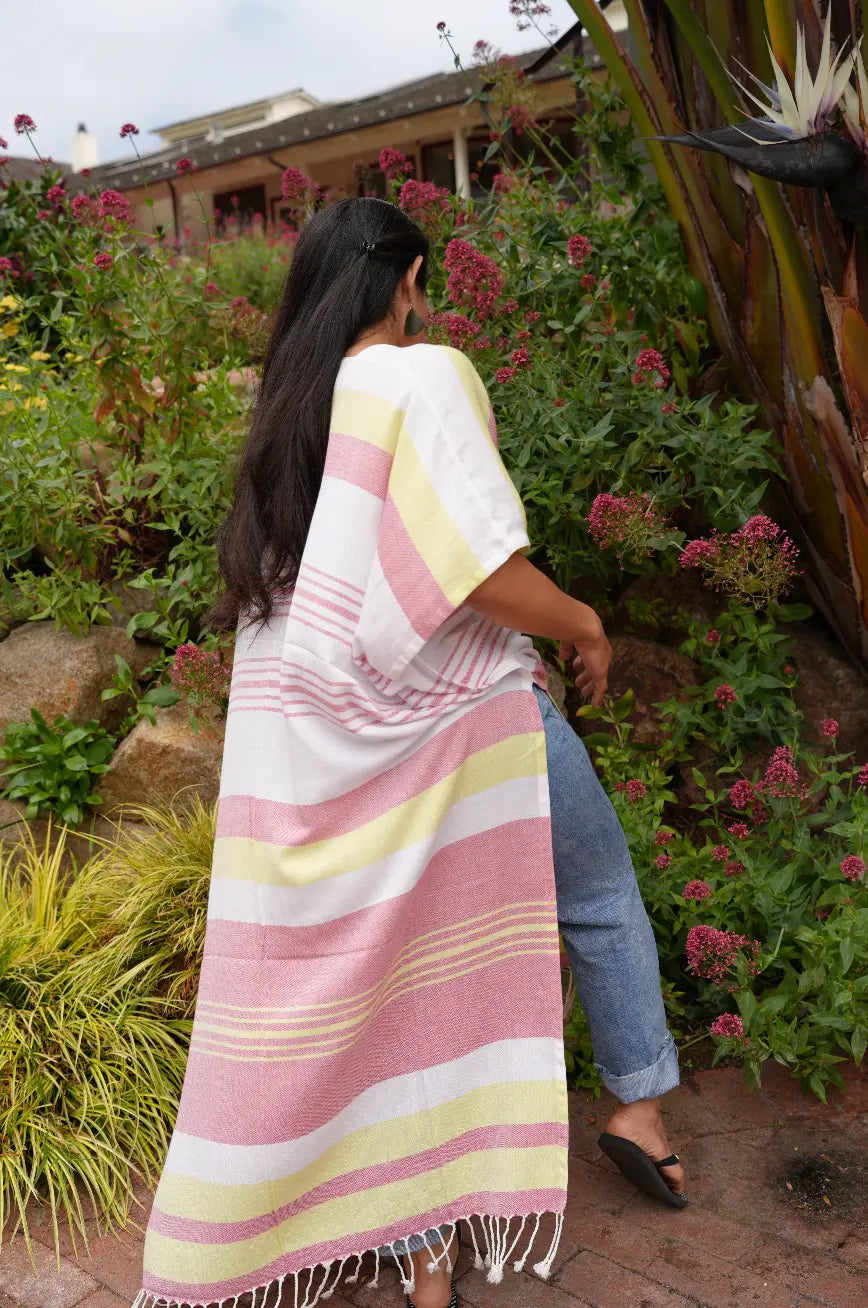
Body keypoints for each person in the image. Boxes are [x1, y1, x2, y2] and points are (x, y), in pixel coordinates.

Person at [133, 197, 684, 1308]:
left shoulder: (292, 409)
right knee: (598, 886)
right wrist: (581, 624)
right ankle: (638, 1102)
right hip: (463, 721)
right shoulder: (416, 375)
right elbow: (471, 567)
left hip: (343, 758)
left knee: (404, 986)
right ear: (410, 277)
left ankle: (425, 1257)